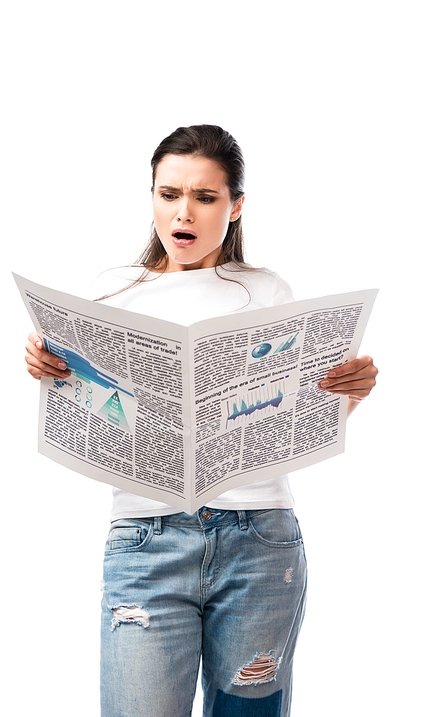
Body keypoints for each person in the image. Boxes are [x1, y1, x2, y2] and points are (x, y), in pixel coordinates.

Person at [25, 125, 378, 717]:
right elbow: (90, 411)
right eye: (168, 194)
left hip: (259, 542)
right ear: (153, 197)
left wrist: (353, 392)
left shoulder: (265, 291)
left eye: (205, 197)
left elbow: (296, 416)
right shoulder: (113, 292)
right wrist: (49, 367)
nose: (182, 212)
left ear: (235, 207)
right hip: (145, 541)